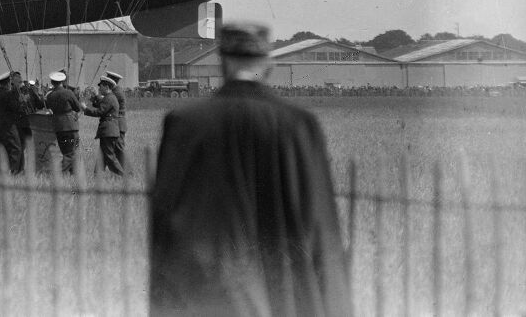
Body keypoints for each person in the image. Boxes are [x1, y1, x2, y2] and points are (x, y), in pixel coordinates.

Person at [149, 22, 351, 317]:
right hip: (282, 291)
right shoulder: (299, 125)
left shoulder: (183, 122)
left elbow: (164, 222)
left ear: (222, 62)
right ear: (268, 64)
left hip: (206, 291)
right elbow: (321, 226)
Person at [84, 76, 123, 176]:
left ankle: (123, 175)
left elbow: (99, 111)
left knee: (109, 156)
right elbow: (100, 104)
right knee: (102, 156)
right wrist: (93, 97)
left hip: (108, 131)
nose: (99, 89)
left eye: (100, 86)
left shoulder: (109, 98)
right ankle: (97, 176)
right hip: (109, 131)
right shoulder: (109, 97)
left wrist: (85, 109)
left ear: (106, 87)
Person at [43, 71, 81, 174]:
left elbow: (48, 107)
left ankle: (73, 173)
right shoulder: (68, 93)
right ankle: (58, 172)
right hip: (70, 125)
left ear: (52, 82)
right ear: (63, 81)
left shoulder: (50, 95)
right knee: (72, 152)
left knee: (66, 151)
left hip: (58, 126)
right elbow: (77, 108)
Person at [0, 71, 25, 174]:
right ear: (8, 82)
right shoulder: (8, 94)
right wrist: (21, 101)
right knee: (16, 148)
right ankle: (14, 172)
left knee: (4, 148)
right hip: (9, 125)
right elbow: (15, 108)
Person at [105, 70, 127, 142]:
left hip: (117, 124)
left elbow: (106, 105)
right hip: (115, 124)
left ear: (112, 81)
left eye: (107, 81)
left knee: (118, 149)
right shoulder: (114, 91)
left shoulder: (116, 93)